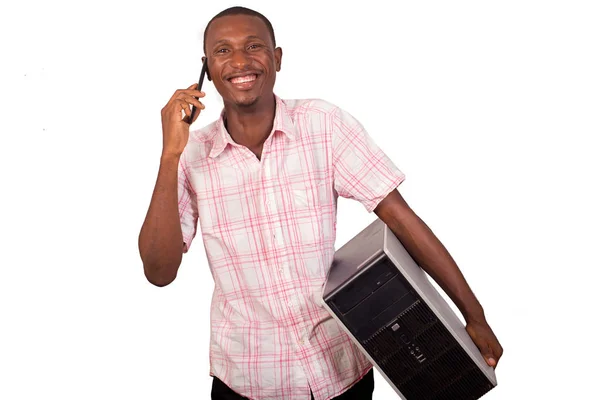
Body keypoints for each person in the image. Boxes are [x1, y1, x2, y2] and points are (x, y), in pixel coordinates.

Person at [138, 6, 503, 400]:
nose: (240, 61)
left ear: (277, 58)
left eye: (254, 46)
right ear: (206, 69)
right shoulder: (191, 153)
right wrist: (169, 155)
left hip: (339, 372)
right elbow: (160, 271)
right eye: (223, 51)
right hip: (247, 381)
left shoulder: (323, 124)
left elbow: (400, 219)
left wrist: (473, 314)